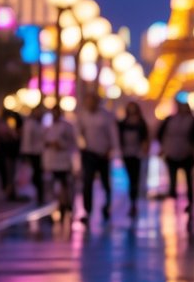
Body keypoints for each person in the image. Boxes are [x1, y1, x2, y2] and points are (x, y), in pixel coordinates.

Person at [77, 91, 119, 223]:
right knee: (87, 182)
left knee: (106, 183)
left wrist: (112, 150)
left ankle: (107, 206)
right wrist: (82, 147)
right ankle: (87, 210)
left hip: (104, 154)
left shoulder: (106, 116)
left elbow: (113, 134)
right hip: (89, 153)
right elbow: (78, 133)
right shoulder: (83, 116)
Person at [158, 100, 194, 213]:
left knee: (188, 179)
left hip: (186, 153)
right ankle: (175, 201)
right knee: (174, 180)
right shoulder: (170, 120)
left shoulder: (190, 121)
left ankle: (189, 202)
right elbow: (160, 134)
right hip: (173, 153)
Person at [43, 106, 78, 215]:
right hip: (52, 160)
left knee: (65, 182)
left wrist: (61, 145)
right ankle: (56, 203)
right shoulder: (48, 127)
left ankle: (66, 203)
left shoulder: (67, 127)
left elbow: (72, 142)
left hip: (63, 159)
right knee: (53, 182)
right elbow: (44, 142)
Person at [118, 101, 150, 216]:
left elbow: (146, 138)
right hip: (126, 154)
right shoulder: (122, 124)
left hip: (137, 155)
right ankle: (132, 201)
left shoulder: (141, 123)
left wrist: (144, 149)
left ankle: (133, 203)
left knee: (135, 179)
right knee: (130, 178)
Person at [20, 107, 47, 205]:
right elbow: (27, 140)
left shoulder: (39, 123)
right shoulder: (30, 124)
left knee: (39, 174)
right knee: (36, 175)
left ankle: (40, 195)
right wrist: (27, 153)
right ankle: (39, 195)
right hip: (32, 153)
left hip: (39, 152)